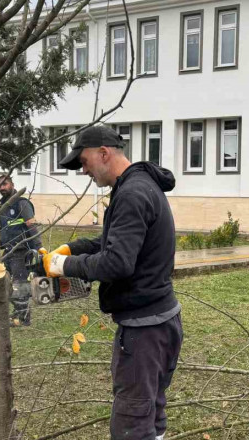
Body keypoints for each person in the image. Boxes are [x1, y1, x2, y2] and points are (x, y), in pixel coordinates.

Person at [42, 125, 183, 440]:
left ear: (103, 153)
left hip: (144, 332)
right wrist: (74, 249)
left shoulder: (132, 193)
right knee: (150, 416)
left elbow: (117, 262)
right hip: (161, 323)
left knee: (132, 426)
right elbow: (116, 242)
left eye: (84, 161)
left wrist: (62, 264)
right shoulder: (140, 186)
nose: (83, 170)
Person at [0, 174, 42, 326]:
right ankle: (16, 312)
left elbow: (32, 226)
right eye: (0, 185)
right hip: (8, 251)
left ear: (12, 184)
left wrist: (39, 247)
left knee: (20, 284)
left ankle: (23, 318)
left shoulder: (21, 203)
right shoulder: (2, 207)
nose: (2, 188)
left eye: (5, 184)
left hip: (21, 250)